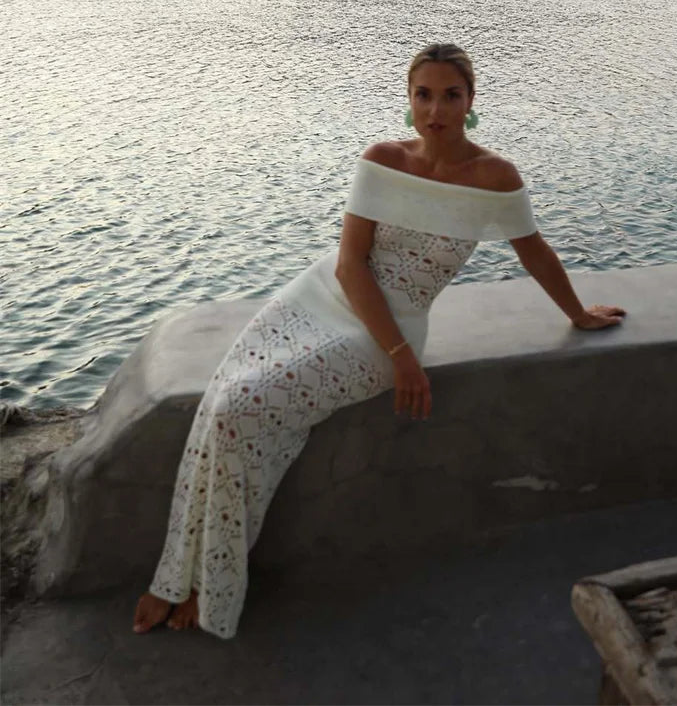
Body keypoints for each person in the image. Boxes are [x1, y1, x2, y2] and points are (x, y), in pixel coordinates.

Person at [133, 43, 626, 639]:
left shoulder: (496, 177)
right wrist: (401, 357)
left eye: (450, 95)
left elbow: (535, 251)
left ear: (471, 103)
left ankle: (211, 585)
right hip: (317, 299)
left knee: (242, 409)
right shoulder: (382, 159)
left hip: (391, 329)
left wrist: (577, 312)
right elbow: (349, 266)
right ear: (408, 98)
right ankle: (174, 579)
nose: (435, 109)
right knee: (220, 402)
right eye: (423, 94)